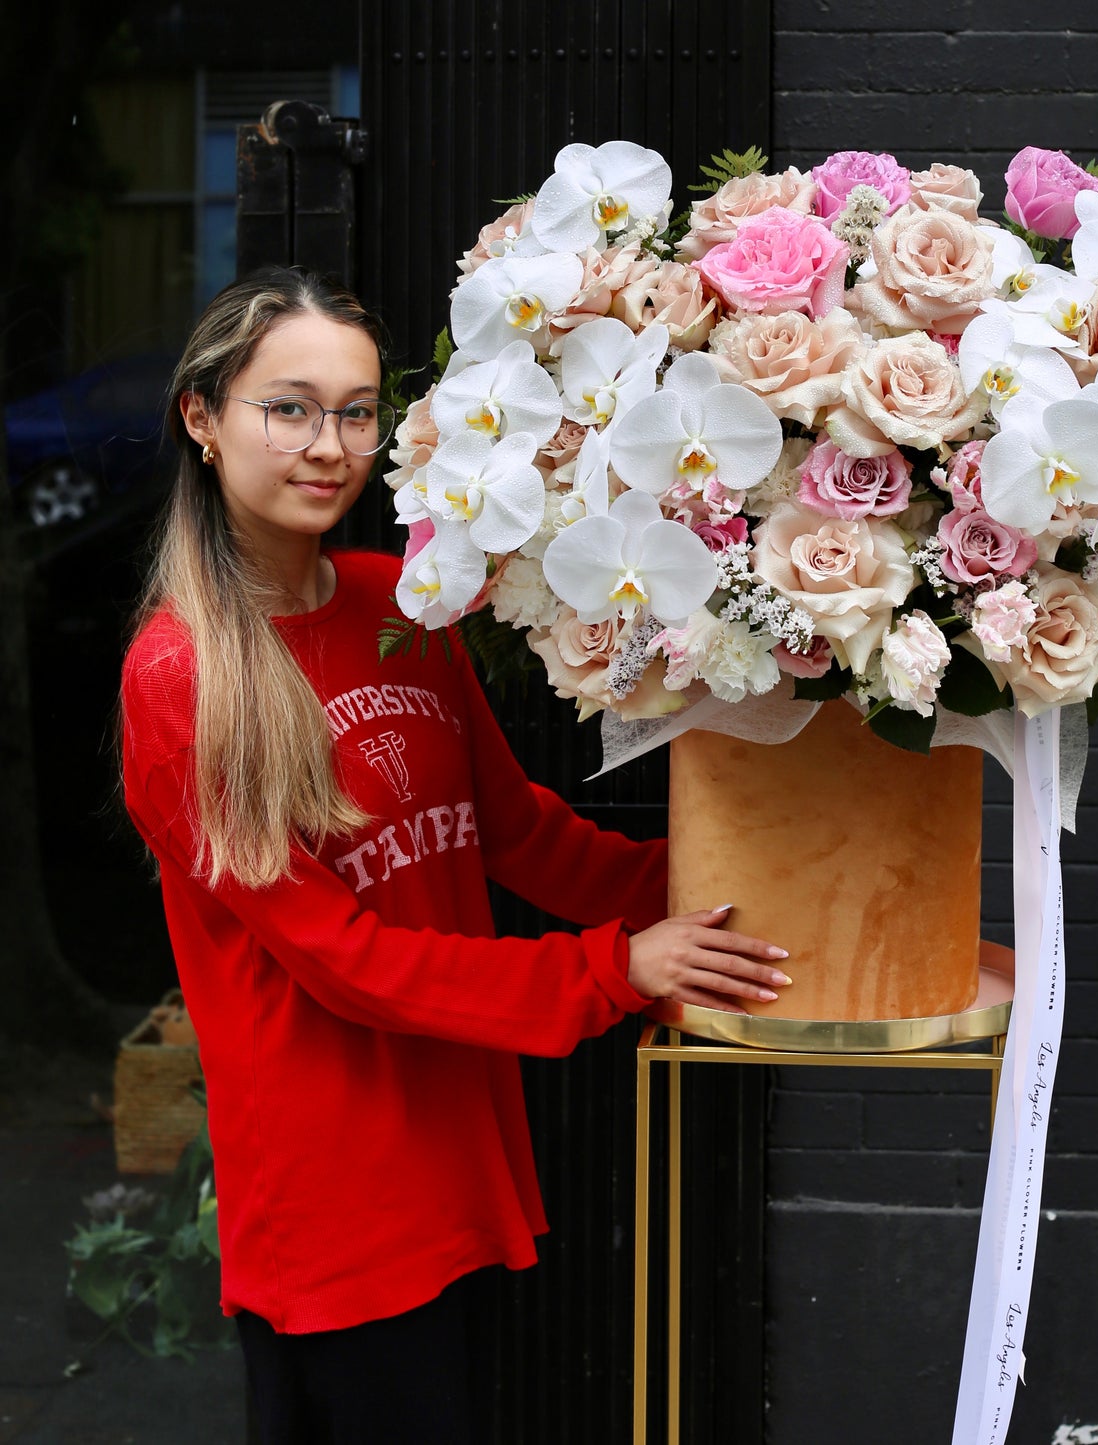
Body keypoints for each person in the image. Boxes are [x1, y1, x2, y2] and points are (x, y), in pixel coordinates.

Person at [119, 266, 791, 1442]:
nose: (328, 444)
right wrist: (612, 970)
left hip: (453, 1153)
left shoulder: (397, 602)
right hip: (334, 1206)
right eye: (288, 406)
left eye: (356, 410)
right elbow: (346, 962)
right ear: (202, 418)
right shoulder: (185, 677)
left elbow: (517, 830)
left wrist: (738, 879)